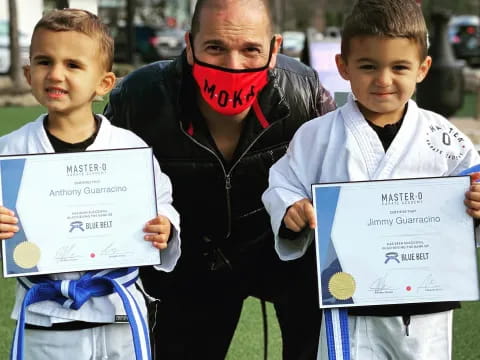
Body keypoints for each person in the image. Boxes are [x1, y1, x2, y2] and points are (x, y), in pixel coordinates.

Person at [104, 0, 335, 358]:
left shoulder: (305, 93)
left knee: (325, 305)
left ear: (274, 49)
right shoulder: (138, 98)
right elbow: (92, 181)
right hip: (187, 255)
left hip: (281, 249)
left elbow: (354, 173)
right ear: (189, 45)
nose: (233, 64)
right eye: (215, 47)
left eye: (250, 49)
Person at [262, 0, 480, 359]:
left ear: (423, 68)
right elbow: (283, 184)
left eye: (399, 67)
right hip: (347, 304)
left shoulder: (443, 137)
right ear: (343, 67)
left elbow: (472, 180)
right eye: (368, 66)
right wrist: (292, 209)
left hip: (426, 301)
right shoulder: (316, 135)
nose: (383, 80)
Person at [0, 9, 180, 360]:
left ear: (104, 84)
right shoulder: (9, 152)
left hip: (118, 314)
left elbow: (163, 204)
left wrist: (165, 228)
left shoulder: (130, 149)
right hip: (46, 315)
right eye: (43, 62)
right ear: (27, 72)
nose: (55, 74)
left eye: (73, 65)